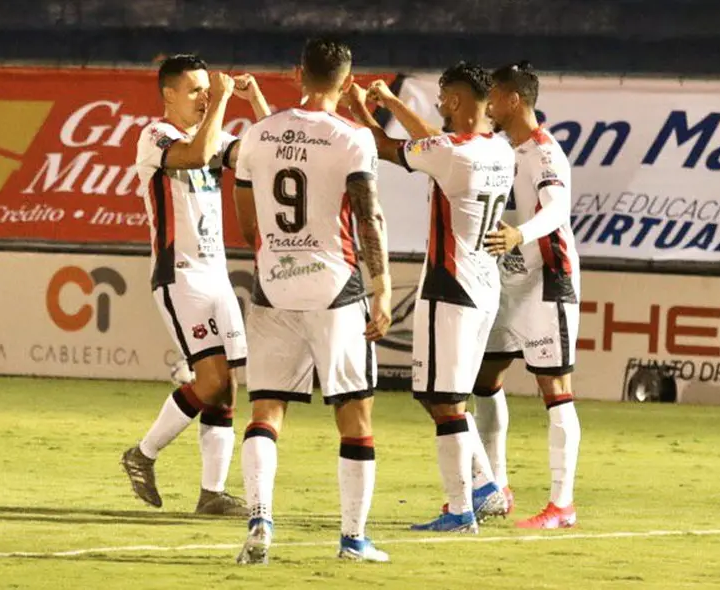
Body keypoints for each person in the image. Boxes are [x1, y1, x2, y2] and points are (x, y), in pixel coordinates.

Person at [232, 38, 392, 564]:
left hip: (273, 286)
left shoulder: (258, 133)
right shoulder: (353, 138)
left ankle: (259, 519)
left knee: (265, 410)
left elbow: (246, 214)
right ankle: (352, 538)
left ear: (297, 73)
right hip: (334, 288)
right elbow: (368, 216)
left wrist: (273, 253)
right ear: (348, 83)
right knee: (355, 413)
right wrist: (383, 284)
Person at [346, 62, 515, 533]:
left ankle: (462, 509)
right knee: (442, 396)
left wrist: (359, 104)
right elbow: (432, 145)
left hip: (450, 285)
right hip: (483, 288)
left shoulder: (450, 153)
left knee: (442, 400)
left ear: (458, 101)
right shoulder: (498, 150)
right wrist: (392, 103)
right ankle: (485, 487)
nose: (438, 105)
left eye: (443, 97)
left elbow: (383, 146)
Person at [122, 54, 270, 515]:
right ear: (168, 94)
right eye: (194, 90)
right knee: (208, 379)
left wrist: (256, 99)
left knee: (226, 387)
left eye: (208, 88)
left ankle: (211, 493)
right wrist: (224, 101)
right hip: (179, 275)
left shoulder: (214, 136)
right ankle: (141, 454)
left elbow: (271, 149)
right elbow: (196, 155)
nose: (205, 96)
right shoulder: (155, 136)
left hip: (216, 275)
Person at [479, 61, 581, 529]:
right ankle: (497, 487)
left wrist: (520, 235)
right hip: (507, 282)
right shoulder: (502, 150)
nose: (490, 106)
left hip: (548, 280)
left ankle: (562, 505)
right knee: (484, 378)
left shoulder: (544, 153)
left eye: (495, 97)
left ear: (513, 99)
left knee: (554, 389)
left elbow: (558, 208)